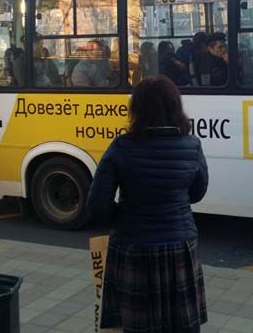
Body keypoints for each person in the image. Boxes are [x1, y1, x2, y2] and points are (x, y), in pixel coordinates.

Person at [87, 76, 209, 332]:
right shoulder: (191, 145)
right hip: (179, 249)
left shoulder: (121, 147)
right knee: (182, 326)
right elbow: (197, 193)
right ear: (176, 106)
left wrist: (127, 215)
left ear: (136, 109)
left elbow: (97, 208)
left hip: (134, 249)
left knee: (138, 325)